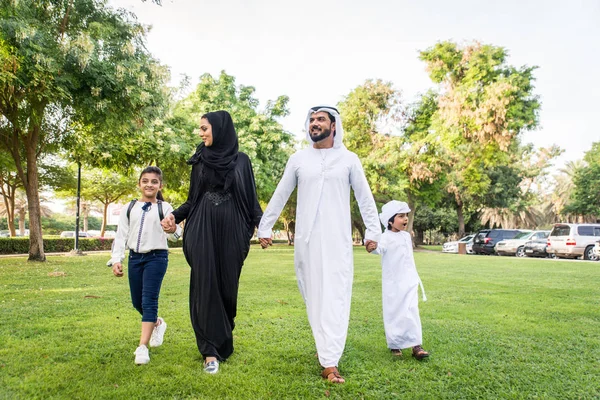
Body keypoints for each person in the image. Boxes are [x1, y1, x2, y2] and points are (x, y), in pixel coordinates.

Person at [257, 106, 381, 384]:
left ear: (334, 126)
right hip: (307, 241)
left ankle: (330, 361)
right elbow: (280, 194)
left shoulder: (349, 159)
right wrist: (265, 227)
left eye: (320, 119)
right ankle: (325, 347)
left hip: (338, 241)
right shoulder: (298, 159)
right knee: (314, 296)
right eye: (311, 120)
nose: (314, 123)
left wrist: (373, 231)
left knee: (336, 295)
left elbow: (365, 198)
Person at [161, 110, 262, 374]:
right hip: (202, 229)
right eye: (200, 128)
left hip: (233, 233)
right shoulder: (200, 159)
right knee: (205, 287)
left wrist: (264, 226)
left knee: (227, 289)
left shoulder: (242, 161)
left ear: (219, 129)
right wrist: (174, 215)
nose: (201, 133)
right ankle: (209, 351)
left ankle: (223, 340)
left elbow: (252, 201)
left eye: (204, 128)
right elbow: (193, 199)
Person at [110, 166, 182, 365]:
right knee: (137, 302)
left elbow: (175, 235)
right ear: (139, 184)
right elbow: (121, 235)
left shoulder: (165, 208)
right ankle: (157, 323)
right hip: (135, 258)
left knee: (149, 300)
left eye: (154, 181)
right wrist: (117, 260)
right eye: (145, 181)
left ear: (160, 185)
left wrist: (174, 228)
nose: (149, 184)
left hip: (156, 258)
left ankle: (142, 347)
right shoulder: (129, 207)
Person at [366, 200, 429, 360]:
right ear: (390, 220)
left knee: (411, 311)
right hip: (393, 283)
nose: (405, 219)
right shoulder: (385, 237)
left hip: (409, 281)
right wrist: (371, 247)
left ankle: (416, 345)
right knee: (394, 312)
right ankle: (395, 344)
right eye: (401, 216)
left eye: (406, 216)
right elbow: (378, 249)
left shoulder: (407, 236)